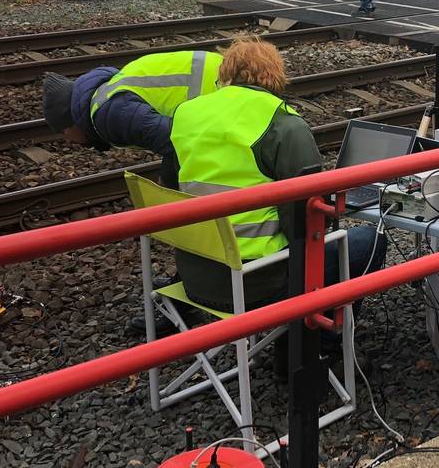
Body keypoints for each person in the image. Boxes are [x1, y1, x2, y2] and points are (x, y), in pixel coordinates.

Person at [163, 36, 387, 314]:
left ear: (225, 74)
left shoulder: (186, 113)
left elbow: (170, 188)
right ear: (274, 77)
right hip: (259, 281)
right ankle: (323, 340)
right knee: (370, 239)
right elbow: (305, 221)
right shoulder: (283, 122)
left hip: (194, 274)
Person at [40, 51, 223, 186]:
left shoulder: (109, 114)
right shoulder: (111, 90)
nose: (68, 140)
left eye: (64, 134)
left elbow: (175, 141)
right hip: (226, 72)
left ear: (69, 126)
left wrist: (168, 190)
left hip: (223, 88)